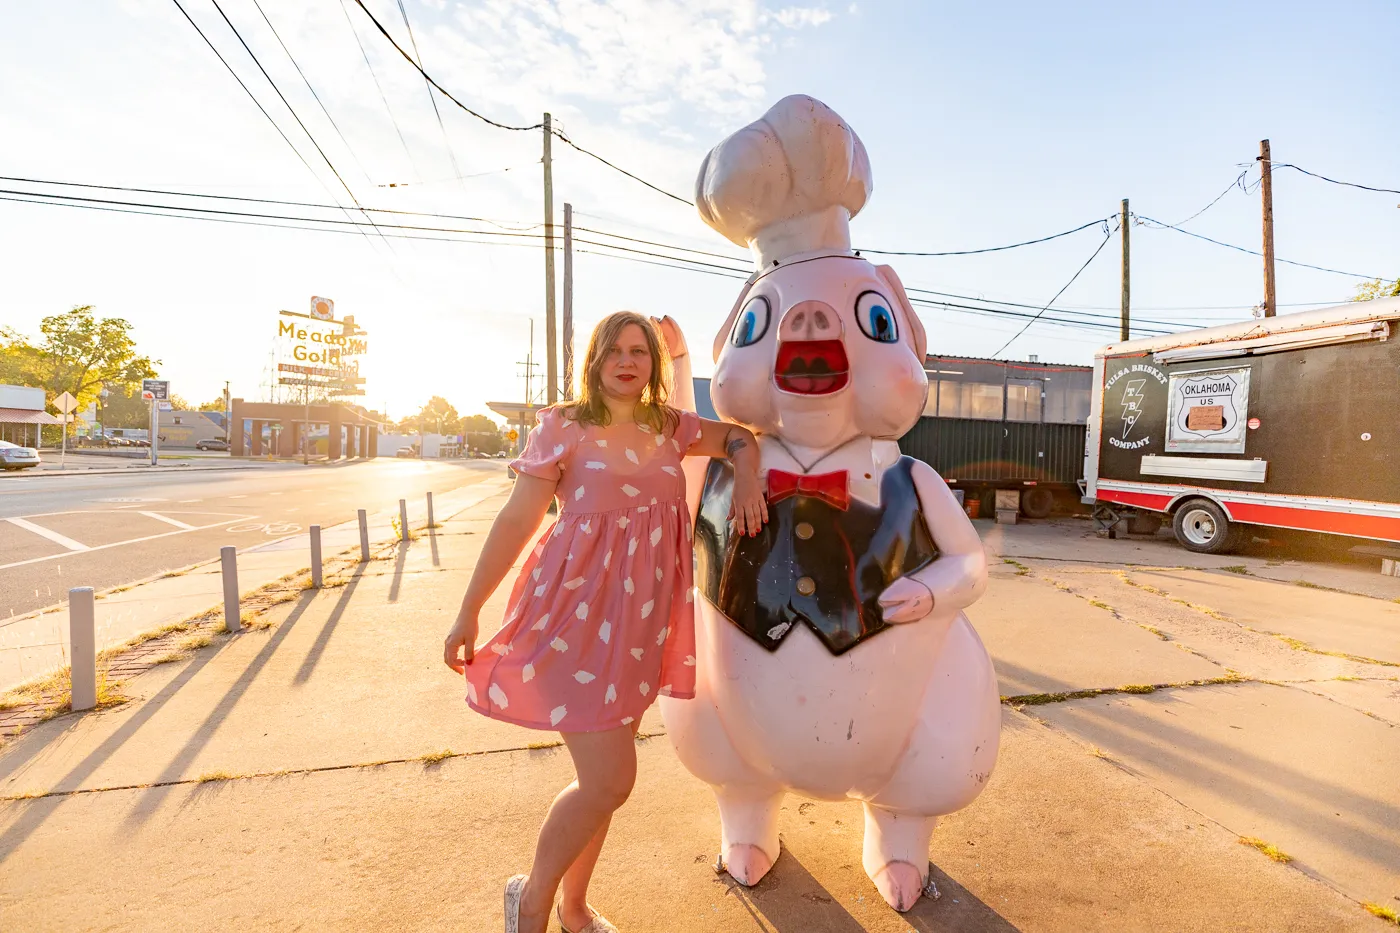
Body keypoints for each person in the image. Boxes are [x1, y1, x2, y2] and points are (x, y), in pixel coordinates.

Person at [443, 311, 766, 933]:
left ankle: (574, 908)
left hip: (638, 627)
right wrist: (468, 609)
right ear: (594, 360)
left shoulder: (669, 426)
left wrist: (748, 477)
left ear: (650, 364)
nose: (627, 361)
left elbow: (739, 438)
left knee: (603, 781)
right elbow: (516, 522)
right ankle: (531, 902)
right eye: (614, 350)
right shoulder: (564, 427)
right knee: (610, 779)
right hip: (572, 620)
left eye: (639, 351)